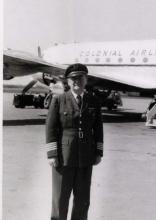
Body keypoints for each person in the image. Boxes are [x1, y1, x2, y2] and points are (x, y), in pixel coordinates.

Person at [46, 63, 104, 220]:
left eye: (80, 78)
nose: (76, 81)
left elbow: (98, 129)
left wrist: (98, 152)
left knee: (83, 200)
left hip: (86, 157)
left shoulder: (94, 102)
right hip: (63, 157)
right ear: (68, 82)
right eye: (72, 79)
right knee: (60, 199)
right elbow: (51, 128)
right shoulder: (59, 100)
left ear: (86, 80)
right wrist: (52, 154)